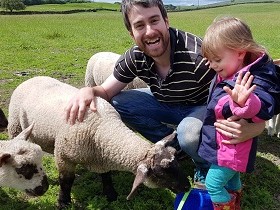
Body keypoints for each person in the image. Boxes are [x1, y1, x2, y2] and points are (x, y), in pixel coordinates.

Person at [64, 0, 265, 187]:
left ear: (166, 21)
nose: (149, 31)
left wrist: (255, 127)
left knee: (189, 133)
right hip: (165, 102)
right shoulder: (135, 57)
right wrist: (88, 90)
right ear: (131, 33)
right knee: (119, 102)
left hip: (202, 107)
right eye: (139, 25)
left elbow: (243, 88)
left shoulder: (198, 57)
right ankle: (175, 147)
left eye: (154, 20)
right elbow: (106, 91)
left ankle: (203, 166)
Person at [198, 16, 280, 209]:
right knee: (232, 179)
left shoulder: (250, 81)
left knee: (213, 184)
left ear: (240, 53)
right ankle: (236, 199)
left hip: (231, 149)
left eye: (217, 60)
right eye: (209, 61)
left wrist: (245, 102)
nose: (213, 65)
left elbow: (263, 105)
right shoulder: (229, 71)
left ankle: (227, 207)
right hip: (226, 146)